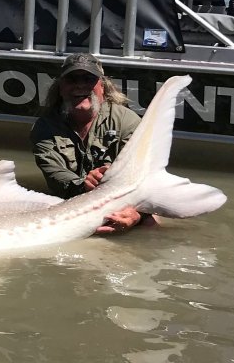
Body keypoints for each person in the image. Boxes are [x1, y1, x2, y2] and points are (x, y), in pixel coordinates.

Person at [30, 53, 152, 234]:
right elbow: (55, 176)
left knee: (152, 220)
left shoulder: (128, 121)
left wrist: (137, 214)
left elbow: (143, 177)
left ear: (102, 87)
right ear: (60, 88)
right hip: (71, 204)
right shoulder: (44, 128)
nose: (80, 85)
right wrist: (83, 184)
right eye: (72, 79)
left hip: (122, 199)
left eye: (89, 79)